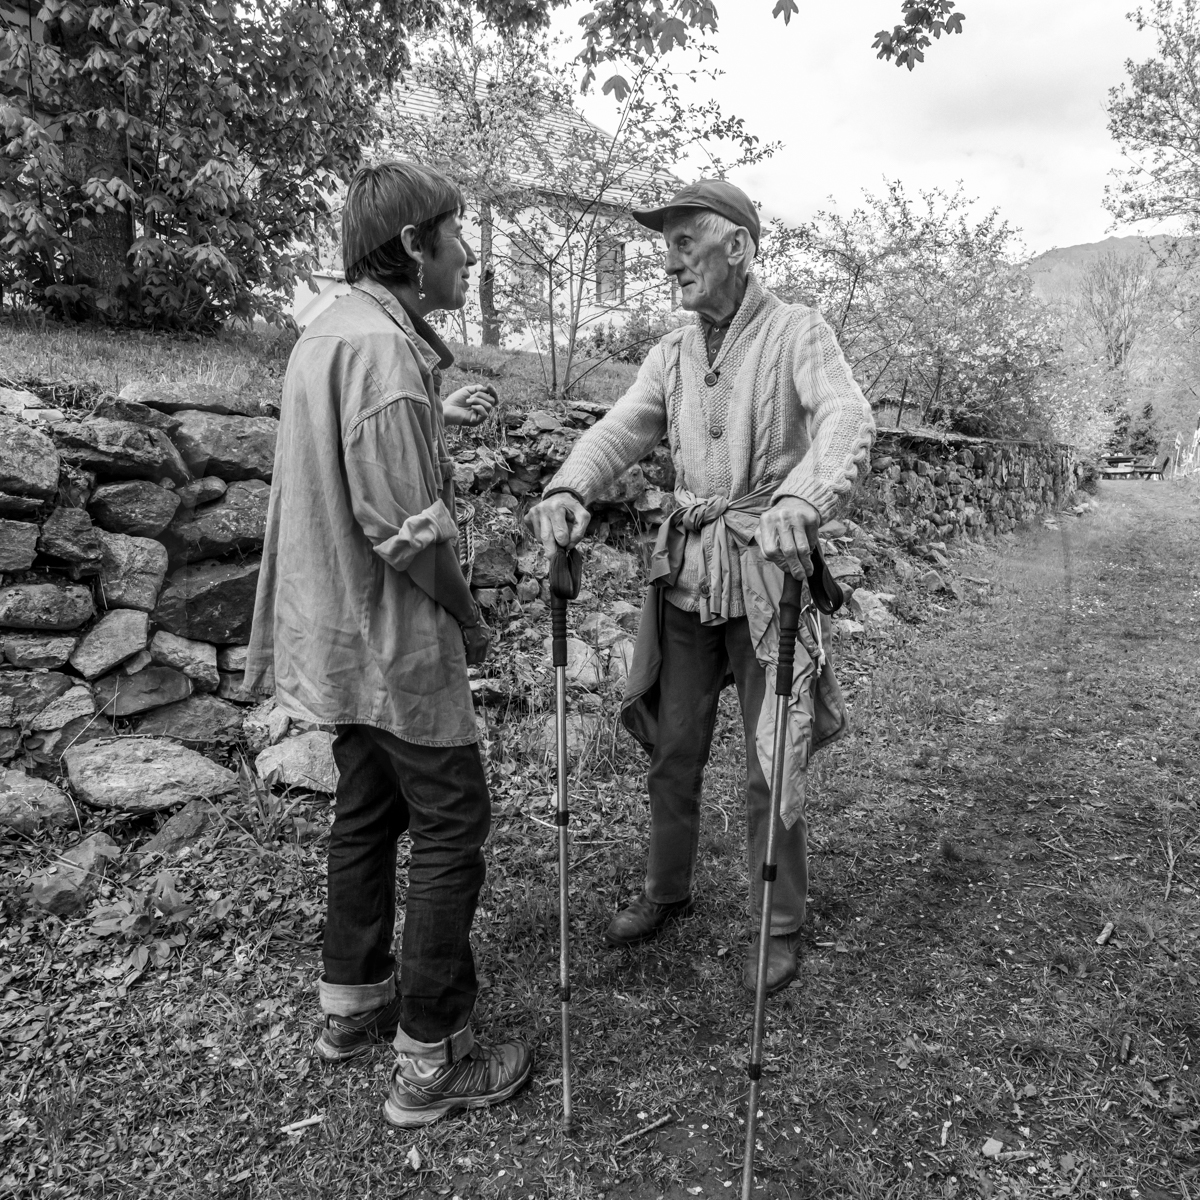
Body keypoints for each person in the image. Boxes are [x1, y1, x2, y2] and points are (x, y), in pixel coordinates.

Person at [527, 179, 875, 995]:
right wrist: (570, 485)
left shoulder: (799, 332)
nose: (669, 258)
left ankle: (778, 923)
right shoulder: (673, 349)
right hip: (686, 577)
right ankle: (667, 889)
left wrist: (802, 498)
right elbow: (626, 425)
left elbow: (847, 417)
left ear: (739, 248)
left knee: (770, 758)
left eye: (685, 242)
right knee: (673, 748)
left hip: (764, 579)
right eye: (669, 242)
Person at [244, 160, 532, 1127]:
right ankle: (430, 1059)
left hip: (331, 638)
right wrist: (473, 618)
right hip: (391, 642)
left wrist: (429, 419)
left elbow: (355, 451)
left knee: (366, 812)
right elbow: (411, 534)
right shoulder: (383, 356)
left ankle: (350, 1006)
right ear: (415, 247)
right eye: (457, 233)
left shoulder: (333, 331)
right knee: (453, 823)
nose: (469, 250)